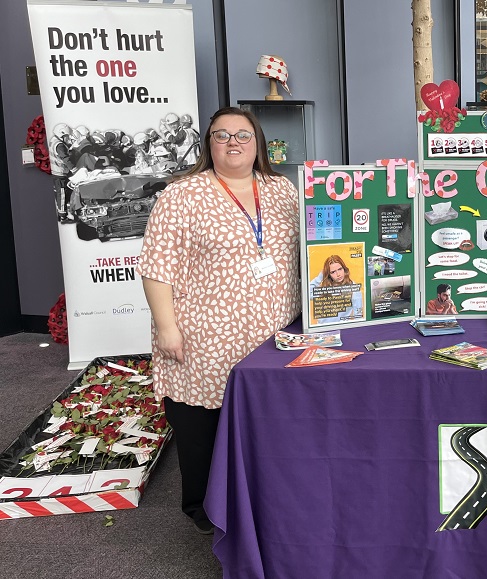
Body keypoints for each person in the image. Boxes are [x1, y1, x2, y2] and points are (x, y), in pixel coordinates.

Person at [137, 106, 300, 535]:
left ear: (258, 143)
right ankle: (207, 512)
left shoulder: (283, 190)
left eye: (243, 135)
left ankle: (265, 505)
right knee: (203, 429)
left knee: (267, 425)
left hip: (276, 332)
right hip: (205, 337)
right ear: (208, 144)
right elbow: (157, 267)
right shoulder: (183, 194)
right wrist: (166, 327)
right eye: (221, 135)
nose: (233, 143)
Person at [309, 254, 363, 322]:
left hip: (341, 328)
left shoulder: (353, 288)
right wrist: (320, 277)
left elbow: (358, 315)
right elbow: (306, 295)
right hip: (322, 329)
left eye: (340, 269)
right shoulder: (325, 287)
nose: (338, 274)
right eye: (333, 272)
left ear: (344, 269)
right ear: (328, 274)